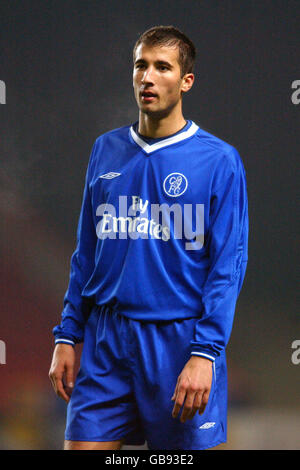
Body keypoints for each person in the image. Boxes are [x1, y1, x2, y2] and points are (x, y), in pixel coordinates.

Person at [49, 25, 248, 451]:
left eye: (162, 67)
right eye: (141, 65)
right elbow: (86, 253)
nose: (148, 77)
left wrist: (205, 353)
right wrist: (68, 334)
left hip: (178, 343)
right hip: (106, 340)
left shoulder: (219, 160)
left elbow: (227, 267)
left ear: (186, 80)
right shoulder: (105, 150)